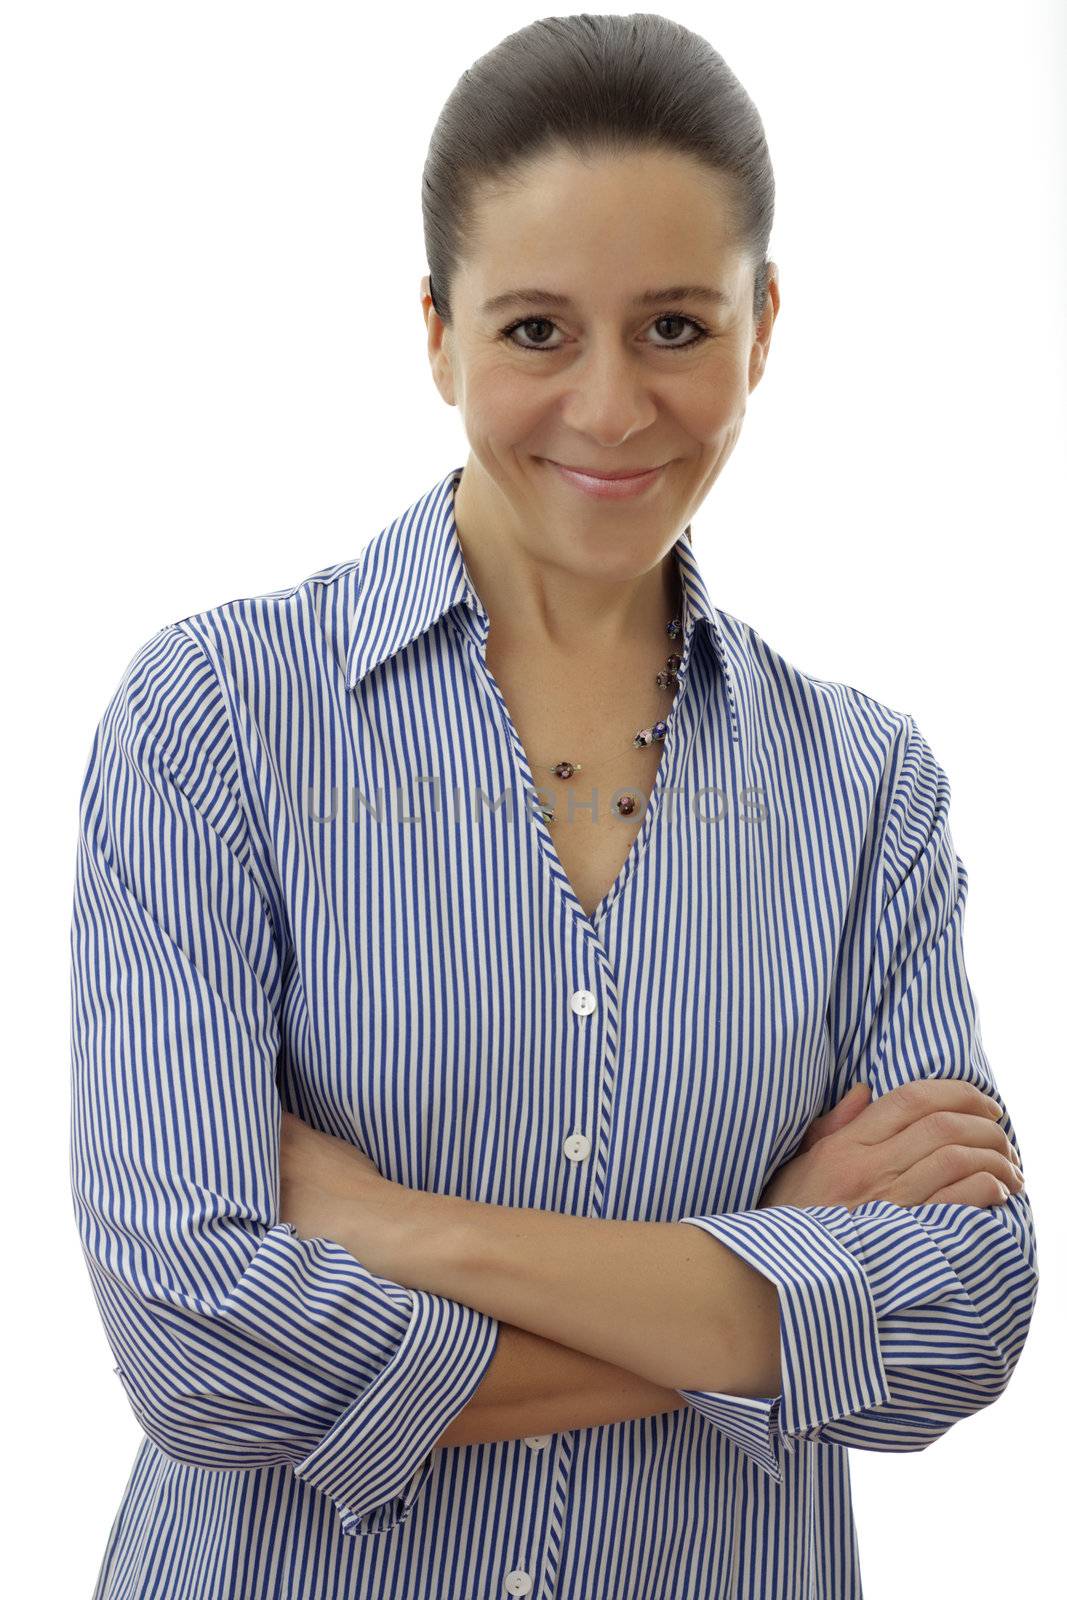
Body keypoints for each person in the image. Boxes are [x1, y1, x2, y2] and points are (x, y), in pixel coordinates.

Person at [71, 15, 1038, 1599]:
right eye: (536, 331)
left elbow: (962, 1314)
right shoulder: (218, 723)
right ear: (437, 334)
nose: (608, 410)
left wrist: (398, 1231)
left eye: (673, 326)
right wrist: (771, 1280)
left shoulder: (867, 788)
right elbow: (203, 1355)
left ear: (765, 324)